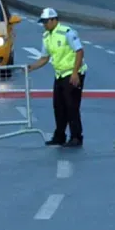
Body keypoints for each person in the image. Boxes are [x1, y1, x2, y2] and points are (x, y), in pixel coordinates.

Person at [27, 8, 87, 148]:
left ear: (54, 20)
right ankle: (59, 136)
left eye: (46, 22)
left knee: (72, 106)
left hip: (72, 74)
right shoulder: (46, 36)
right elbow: (44, 58)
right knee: (58, 106)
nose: (44, 25)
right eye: (42, 22)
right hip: (60, 74)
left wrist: (75, 73)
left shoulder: (67, 32)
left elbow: (79, 51)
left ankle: (76, 137)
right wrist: (30, 68)